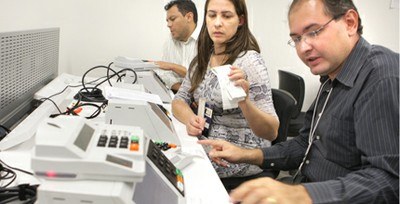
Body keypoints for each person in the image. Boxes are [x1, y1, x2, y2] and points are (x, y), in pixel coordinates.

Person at [198, 0, 399, 203]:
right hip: (304, 184)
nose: (303, 47)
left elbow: (389, 181)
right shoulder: (332, 78)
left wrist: (299, 194)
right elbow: (306, 144)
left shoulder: (381, 75)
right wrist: (244, 154)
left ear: (350, 23)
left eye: (313, 32)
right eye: (296, 39)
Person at [172, 0, 280, 190]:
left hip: (239, 153)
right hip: (208, 143)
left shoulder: (249, 61)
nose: (217, 23)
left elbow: (272, 131)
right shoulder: (202, 60)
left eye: (226, 16)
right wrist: (191, 119)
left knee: (176, 172)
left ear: (240, 20)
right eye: (212, 15)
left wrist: (245, 101)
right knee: (165, 156)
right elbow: (179, 100)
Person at [154, 0, 199, 93]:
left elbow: (203, 80)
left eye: (173, 19)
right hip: (177, 93)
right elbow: (164, 74)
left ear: (189, 17)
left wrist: (172, 66)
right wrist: (184, 90)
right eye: (167, 21)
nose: (168, 25)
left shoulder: (207, 42)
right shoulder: (170, 40)